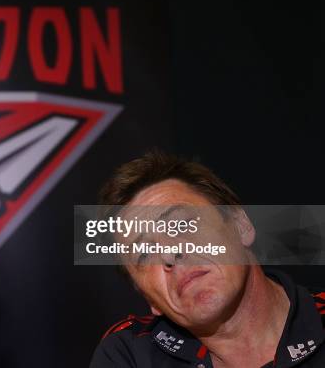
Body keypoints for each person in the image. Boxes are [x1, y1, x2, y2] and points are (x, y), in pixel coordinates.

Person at [90, 151, 325, 368]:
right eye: (144, 253)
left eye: (181, 224)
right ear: (149, 298)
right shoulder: (129, 355)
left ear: (240, 225)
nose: (169, 253)